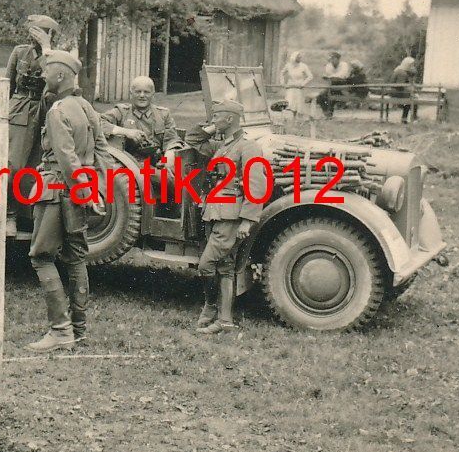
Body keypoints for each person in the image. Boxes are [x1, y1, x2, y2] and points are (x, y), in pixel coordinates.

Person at [26, 50, 110, 352]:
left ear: (60, 75)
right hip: (78, 192)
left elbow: (66, 158)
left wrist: (83, 192)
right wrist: (96, 191)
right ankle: (79, 330)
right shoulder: (86, 107)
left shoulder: (57, 110)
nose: (42, 75)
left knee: (41, 257)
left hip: (57, 190)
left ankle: (61, 331)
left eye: (47, 71)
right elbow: (102, 153)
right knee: (76, 258)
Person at [184, 99, 267, 335]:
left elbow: (256, 184)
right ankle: (225, 321)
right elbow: (192, 138)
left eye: (217, 116)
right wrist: (213, 127)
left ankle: (211, 306)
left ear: (230, 119)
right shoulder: (221, 146)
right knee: (225, 266)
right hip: (214, 213)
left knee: (206, 265)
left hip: (231, 216)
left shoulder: (248, 147)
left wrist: (248, 220)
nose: (213, 120)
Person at [5, 14, 60, 232]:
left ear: (51, 35)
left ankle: (29, 216)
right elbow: (7, 85)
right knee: (14, 166)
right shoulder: (20, 52)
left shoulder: (56, 57)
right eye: (33, 32)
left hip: (45, 111)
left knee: (37, 166)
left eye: (41, 33)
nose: (34, 37)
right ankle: (9, 215)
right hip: (19, 110)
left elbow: (55, 82)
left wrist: (47, 49)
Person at [99, 76, 183, 166]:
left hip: (156, 164)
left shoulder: (163, 114)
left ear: (153, 94)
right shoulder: (121, 112)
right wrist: (126, 132)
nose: (142, 95)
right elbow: (98, 122)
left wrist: (167, 158)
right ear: (131, 93)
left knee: (171, 171)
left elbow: (171, 140)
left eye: (146, 92)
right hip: (128, 165)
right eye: (138, 92)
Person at [281, 51, 314, 121]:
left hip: (299, 87)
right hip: (291, 86)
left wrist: (303, 84)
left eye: (300, 57)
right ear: (294, 58)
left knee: (298, 104)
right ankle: (288, 118)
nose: (300, 58)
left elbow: (310, 76)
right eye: (298, 57)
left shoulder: (303, 66)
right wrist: (283, 83)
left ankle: (297, 119)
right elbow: (281, 73)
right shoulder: (288, 65)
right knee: (289, 102)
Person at [319, 50, 351, 119]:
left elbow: (341, 75)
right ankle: (327, 113)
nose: (332, 60)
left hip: (343, 87)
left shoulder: (344, 64)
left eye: (333, 58)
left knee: (332, 96)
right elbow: (328, 75)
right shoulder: (329, 65)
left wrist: (331, 77)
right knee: (320, 96)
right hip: (332, 86)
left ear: (338, 59)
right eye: (331, 59)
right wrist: (331, 77)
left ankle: (330, 113)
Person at [389, 56, 418, 124]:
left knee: (410, 100)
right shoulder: (402, 73)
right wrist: (410, 92)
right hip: (396, 93)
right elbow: (400, 86)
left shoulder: (399, 70)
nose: (412, 66)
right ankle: (412, 118)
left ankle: (405, 118)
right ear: (407, 65)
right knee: (412, 101)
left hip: (396, 92)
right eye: (411, 65)